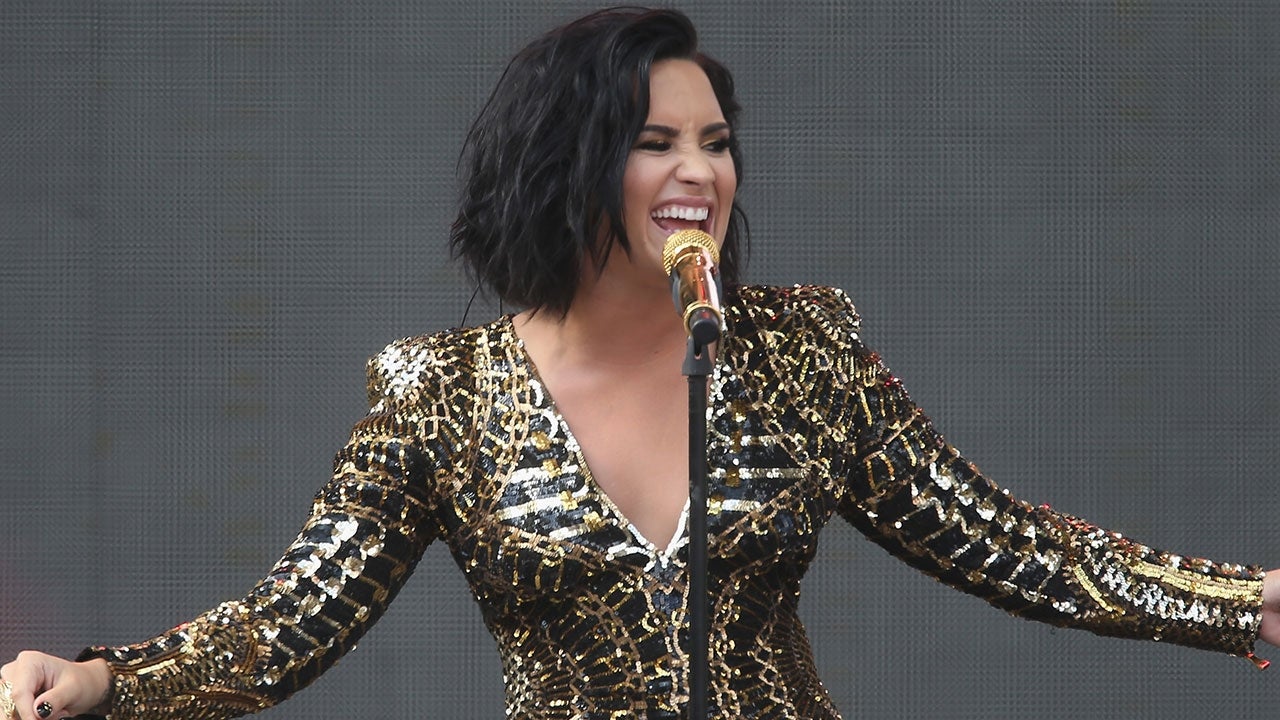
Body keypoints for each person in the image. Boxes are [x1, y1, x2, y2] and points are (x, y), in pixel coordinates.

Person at [1, 7, 1277, 720]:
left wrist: (1240, 604)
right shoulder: (438, 394)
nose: (700, 171)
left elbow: (1003, 542)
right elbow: (290, 621)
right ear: (566, 165)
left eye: (715, 142)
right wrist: (109, 679)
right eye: (655, 141)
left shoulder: (798, 352)